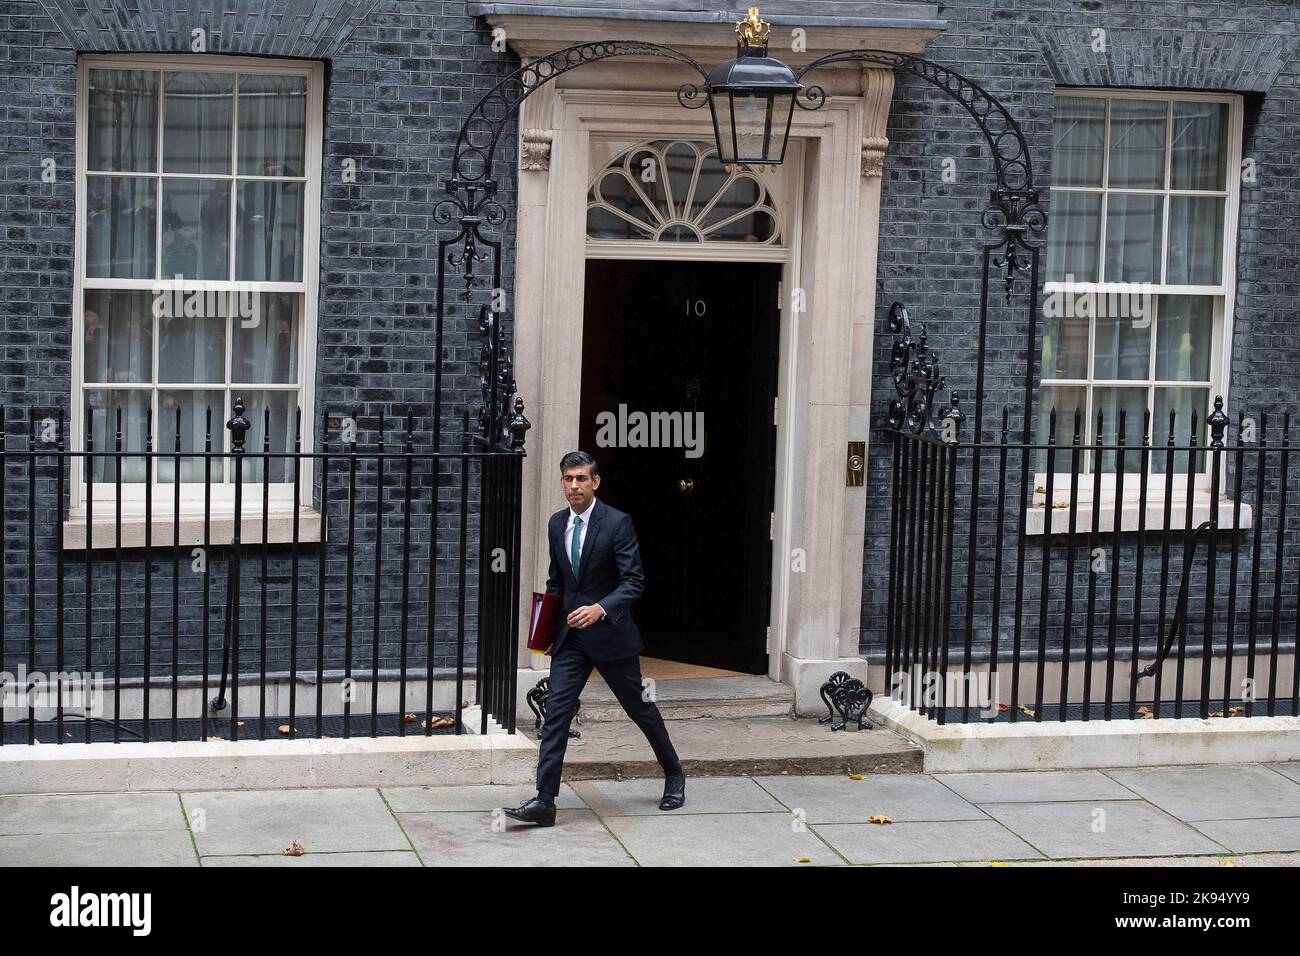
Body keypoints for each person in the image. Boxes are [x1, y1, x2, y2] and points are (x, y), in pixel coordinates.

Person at [504, 451, 685, 827]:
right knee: (556, 714)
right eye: (568, 479)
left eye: (581, 479)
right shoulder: (556, 524)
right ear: (561, 482)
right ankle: (545, 801)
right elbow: (557, 581)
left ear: (595, 482)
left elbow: (633, 582)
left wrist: (600, 608)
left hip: (612, 637)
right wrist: (546, 631)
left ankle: (673, 773)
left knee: (640, 709)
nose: (574, 486)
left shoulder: (618, 523)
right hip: (570, 639)